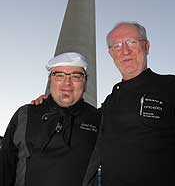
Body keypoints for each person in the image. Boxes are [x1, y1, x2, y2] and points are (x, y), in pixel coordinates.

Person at [82, 21, 175, 186]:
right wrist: (48, 103)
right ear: (111, 54)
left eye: (132, 42)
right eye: (117, 46)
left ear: (146, 46)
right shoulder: (109, 102)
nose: (125, 51)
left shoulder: (172, 87)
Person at [0, 52, 101, 186]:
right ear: (50, 79)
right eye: (59, 75)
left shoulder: (99, 120)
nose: (67, 83)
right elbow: (5, 166)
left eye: (76, 76)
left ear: (85, 82)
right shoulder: (25, 114)